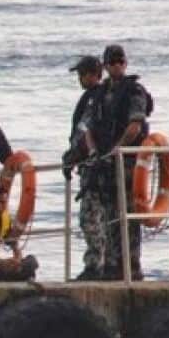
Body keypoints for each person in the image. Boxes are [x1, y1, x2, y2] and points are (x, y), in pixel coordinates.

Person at [93, 44, 154, 280]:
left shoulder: (134, 91)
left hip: (127, 161)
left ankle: (131, 265)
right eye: (112, 62)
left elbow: (135, 124)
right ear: (106, 65)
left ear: (125, 63)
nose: (117, 65)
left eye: (121, 61)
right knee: (109, 214)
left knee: (129, 214)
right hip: (105, 162)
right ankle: (111, 264)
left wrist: (117, 149)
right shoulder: (100, 93)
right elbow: (90, 124)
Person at [63, 55, 108, 280]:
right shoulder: (96, 97)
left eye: (82, 74)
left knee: (90, 218)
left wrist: (73, 155)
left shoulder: (95, 98)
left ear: (93, 75)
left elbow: (85, 130)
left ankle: (95, 265)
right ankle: (104, 263)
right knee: (101, 217)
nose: (80, 79)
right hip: (93, 165)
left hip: (94, 166)